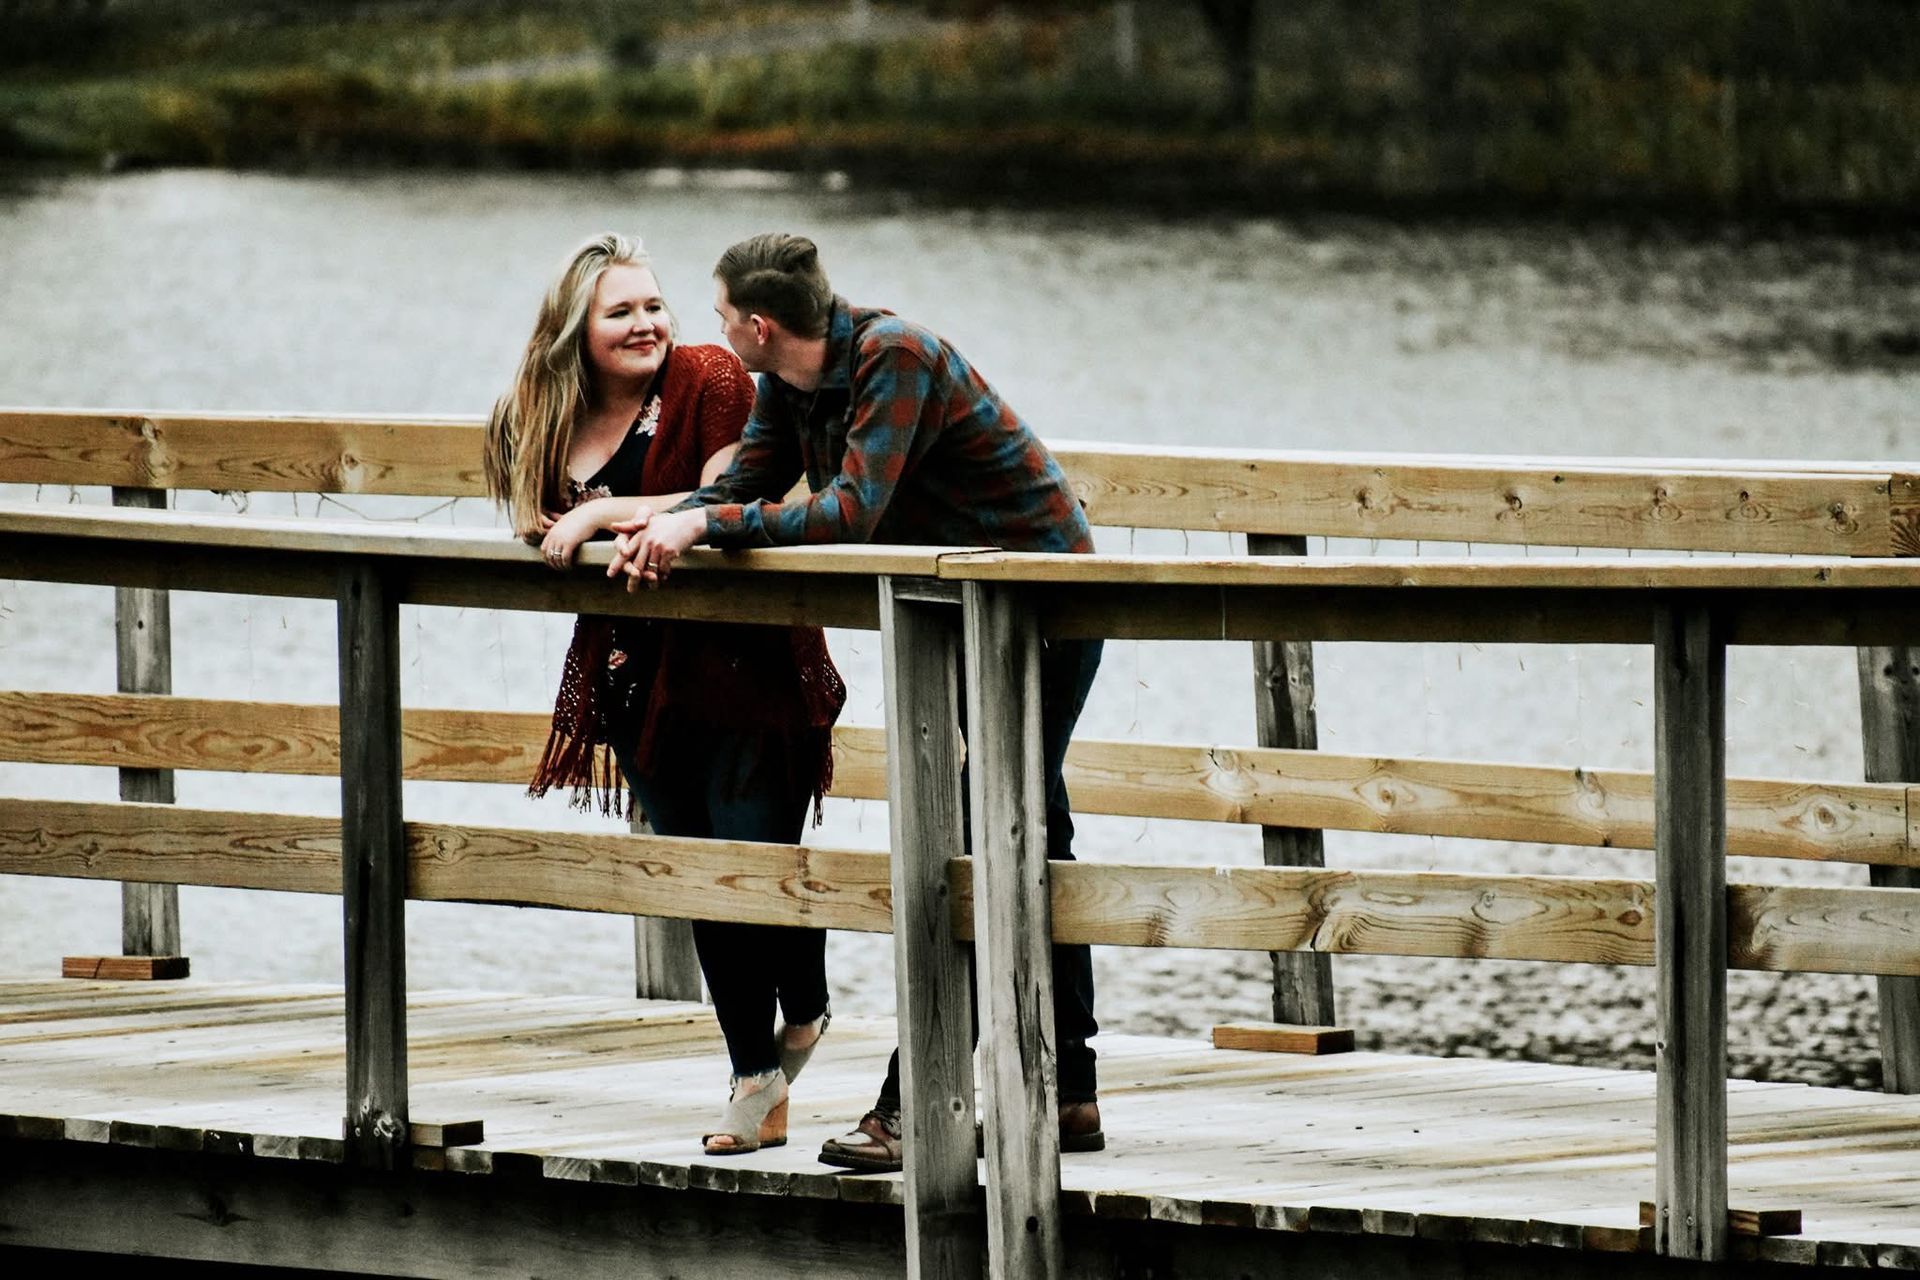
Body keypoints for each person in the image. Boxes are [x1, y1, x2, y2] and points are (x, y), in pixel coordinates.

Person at [607, 232, 1104, 1173]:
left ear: (758, 325)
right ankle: (1070, 1095)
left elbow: (846, 513)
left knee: (982, 838)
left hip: (1043, 607)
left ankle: (910, 1107)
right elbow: (747, 483)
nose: (708, 332)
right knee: (1030, 833)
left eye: (717, 316)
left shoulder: (894, 357)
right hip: (967, 608)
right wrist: (644, 518)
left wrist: (703, 522)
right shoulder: (788, 385)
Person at [483, 233, 846, 1157]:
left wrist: (604, 514)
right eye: (622, 311)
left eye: (654, 305)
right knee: (697, 876)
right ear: (575, 331)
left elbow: (726, 497)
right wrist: (554, 521)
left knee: (750, 868)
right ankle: (757, 1076)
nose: (647, 324)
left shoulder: (714, 378)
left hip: (747, 665)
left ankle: (797, 1013)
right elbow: (531, 516)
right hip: (636, 681)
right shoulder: (543, 412)